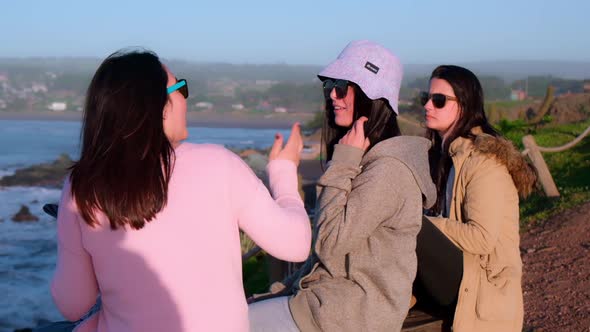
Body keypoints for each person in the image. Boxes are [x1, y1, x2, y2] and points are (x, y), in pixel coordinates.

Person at [45, 49, 312, 332]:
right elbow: (295, 245)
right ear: (159, 105)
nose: (185, 97)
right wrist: (283, 171)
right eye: (180, 88)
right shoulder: (219, 164)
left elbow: (73, 303)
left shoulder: (82, 186)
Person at [248, 40, 436, 332]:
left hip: (349, 316)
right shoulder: (370, 160)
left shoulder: (389, 171)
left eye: (341, 86)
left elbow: (329, 244)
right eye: (329, 86)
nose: (332, 96)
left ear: (371, 96)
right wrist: (280, 291)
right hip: (332, 305)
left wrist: (342, 163)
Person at [414, 65, 537, 332]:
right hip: (458, 272)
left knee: (411, 225)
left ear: (465, 105)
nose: (428, 105)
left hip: (482, 283)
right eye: (426, 97)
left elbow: (481, 238)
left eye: (439, 100)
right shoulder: (445, 157)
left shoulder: (484, 161)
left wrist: (424, 223)